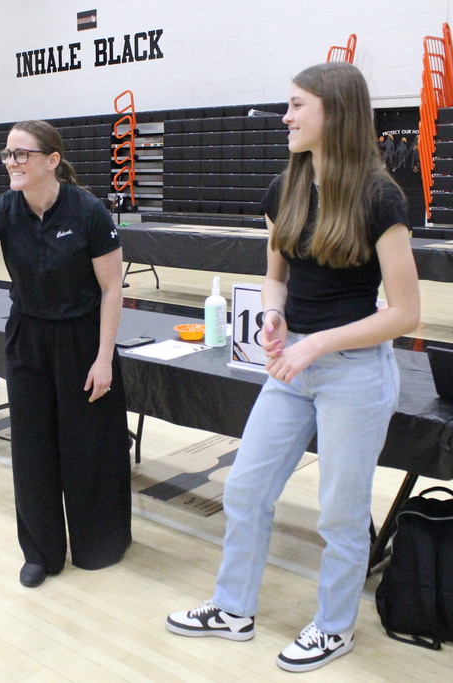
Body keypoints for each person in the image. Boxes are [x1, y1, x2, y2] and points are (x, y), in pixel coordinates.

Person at [166, 62, 420, 673]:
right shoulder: (285, 188)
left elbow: (406, 313)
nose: (286, 116)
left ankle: (335, 628)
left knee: (340, 513)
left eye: (297, 105)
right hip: (293, 365)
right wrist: (275, 317)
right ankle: (233, 608)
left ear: (333, 112)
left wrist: (317, 343)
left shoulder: (382, 198)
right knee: (246, 487)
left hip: (354, 371)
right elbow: (275, 277)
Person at [0, 120, 131, 588]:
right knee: (33, 446)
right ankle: (41, 552)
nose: (12, 163)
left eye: (21, 154)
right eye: (8, 155)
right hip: (29, 337)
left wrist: (104, 358)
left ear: (51, 160)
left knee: (88, 445)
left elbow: (111, 288)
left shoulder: (88, 211)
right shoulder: (2, 210)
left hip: (83, 339)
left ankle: (99, 542)